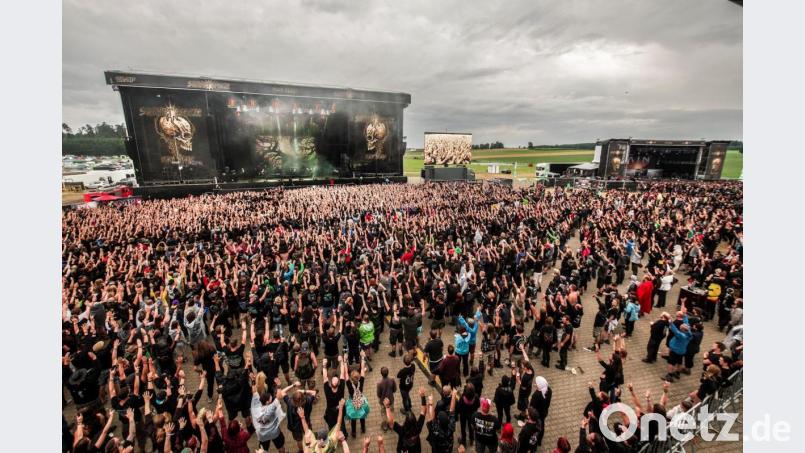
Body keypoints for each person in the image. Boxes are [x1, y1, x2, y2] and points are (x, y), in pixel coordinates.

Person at [385, 388, 427, 453]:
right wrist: (423, 397)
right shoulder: (418, 427)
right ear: (415, 420)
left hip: (403, 449)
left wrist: (387, 407)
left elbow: (391, 423)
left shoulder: (402, 430)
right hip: (416, 449)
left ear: (406, 421)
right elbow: (423, 412)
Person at [426, 388, 458, 452]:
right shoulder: (451, 426)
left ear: (439, 422)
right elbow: (451, 411)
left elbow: (430, 418)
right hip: (448, 448)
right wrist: (454, 396)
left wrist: (430, 404)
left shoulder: (436, 430)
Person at [529, 376, 551, 447]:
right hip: (544, 412)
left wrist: (530, 400)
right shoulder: (549, 390)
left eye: (536, 383)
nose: (535, 383)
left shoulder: (536, 395)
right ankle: (539, 441)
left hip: (537, 414)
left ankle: (535, 442)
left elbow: (532, 406)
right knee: (542, 425)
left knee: (536, 427)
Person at [377, 366, 398, 431]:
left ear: (381, 374)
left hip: (383, 401)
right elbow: (395, 389)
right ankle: (391, 424)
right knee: (391, 412)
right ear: (388, 373)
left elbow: (378, 394)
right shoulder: (392, 380)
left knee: (383, 413)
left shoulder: (379, 383)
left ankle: (385, 425)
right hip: (391, 400)